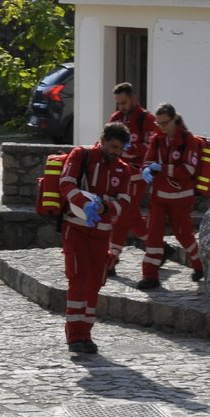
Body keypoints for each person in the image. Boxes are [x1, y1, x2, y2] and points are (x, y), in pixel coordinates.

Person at [60, 122, 133, 353]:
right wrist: (84, 204)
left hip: (101, 233)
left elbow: (123, 203)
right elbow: (66, 184)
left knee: (94, 284)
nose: (117, 152)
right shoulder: (82, 156)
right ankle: (74, 336)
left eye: (120, 148)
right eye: (113, 146)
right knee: (78, 279)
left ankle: (87, 334)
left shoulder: (123, 170)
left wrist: (101, 208)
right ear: (102, 140)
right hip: (76, 228)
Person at [137, 103, 206, 289]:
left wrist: (162, 169)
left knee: (184, 235)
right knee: (153, 236)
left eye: (165, 123)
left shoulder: (188, 139)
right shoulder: (157, 139)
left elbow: (188, 169)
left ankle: (199, 265)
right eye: (158, 123)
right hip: (159, 197)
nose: (161, 127)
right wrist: (146, 169)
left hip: (180, 197)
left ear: (175, 119)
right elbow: (148, 160)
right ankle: (150, 276)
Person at [107, 82, 159, 277]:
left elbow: (154, 146)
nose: (121, 107)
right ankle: (159, 247)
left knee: (122, 216)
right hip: (120, 175)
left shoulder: (146, 119)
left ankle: (111, 259)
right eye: (118, 103)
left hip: (138, 176)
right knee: (132, 216)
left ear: (134, 99)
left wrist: (132, 150)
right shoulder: (116, 119)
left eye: (124, 102)